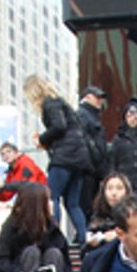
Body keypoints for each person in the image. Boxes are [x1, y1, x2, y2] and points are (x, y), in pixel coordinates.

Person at [24, 75, 91, 245]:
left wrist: (42, 139)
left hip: (64, 157)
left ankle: (53, 238)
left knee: (51, 197)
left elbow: (59, 126)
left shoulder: (50, 103)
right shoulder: (60, 102)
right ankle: (84, 237)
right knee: (72, 202)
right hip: (79, 157)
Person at [0, 182, 73, 272]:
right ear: (37, 205)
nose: (52, 204)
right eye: (47, 200)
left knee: (54, 253)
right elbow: (0, 262)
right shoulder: (12, 226)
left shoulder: (51, 227)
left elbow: (66, 260)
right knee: (32, 252)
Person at [76, 85, 111, 223]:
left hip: (93, 169)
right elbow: (84, 141)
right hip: (89, 169)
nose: (100, 101)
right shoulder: (82, 115)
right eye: (97, 98)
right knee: (86, 205)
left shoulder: (90, 115)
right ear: (87, 97)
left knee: (89, 205)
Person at [110, 98, 137, 193]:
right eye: (129, 116)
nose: (132, 119)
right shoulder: (118, 138)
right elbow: (112, 161)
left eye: (135, 116)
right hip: (125, 181)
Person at [86, 172, 133, 246]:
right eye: (109, 188)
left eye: (119, 188)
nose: (114, 193)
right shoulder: (97, 216)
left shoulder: (133, 217)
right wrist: (102, 237)